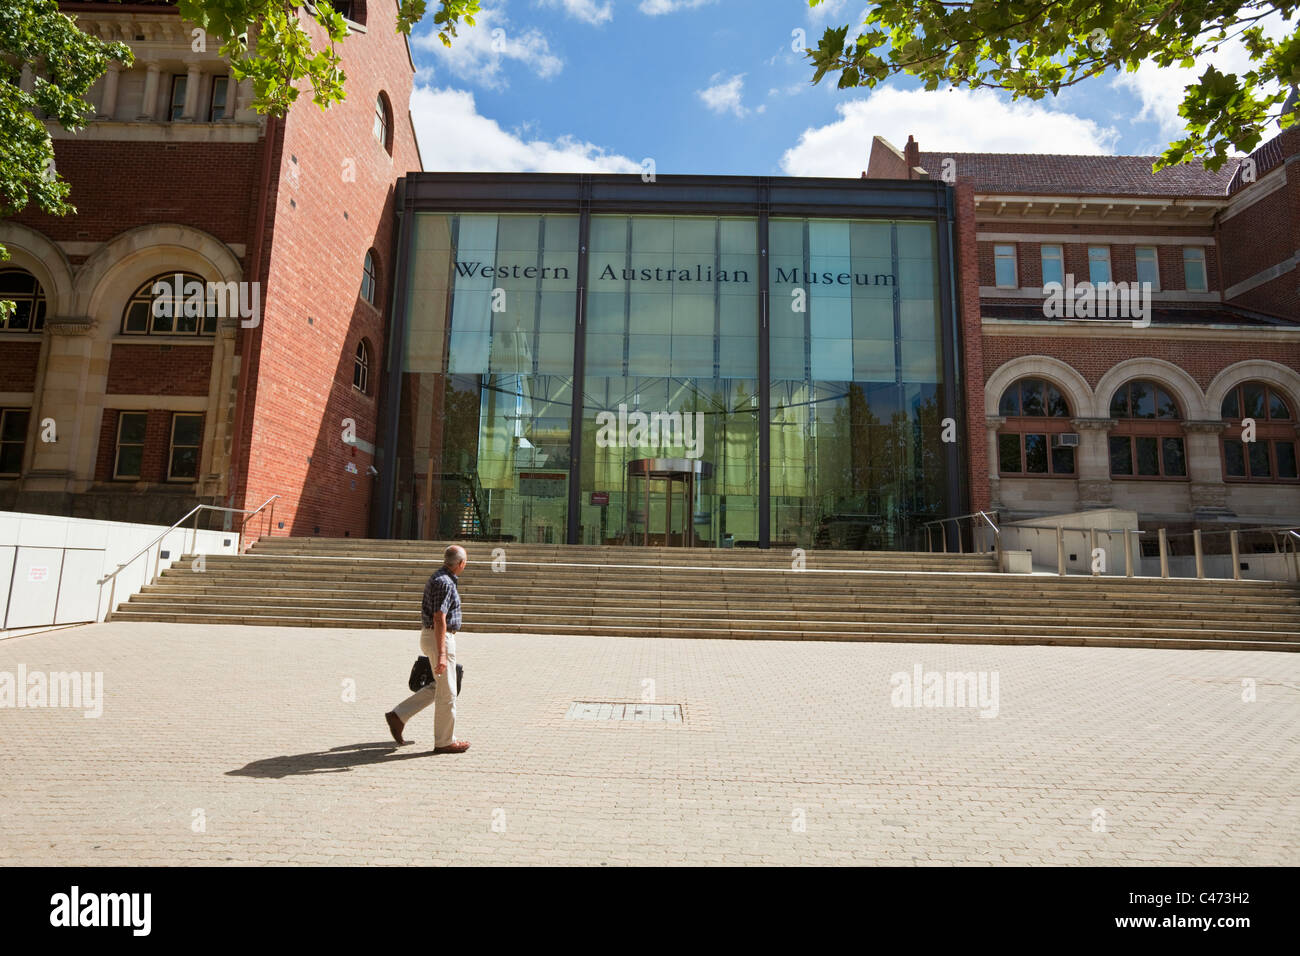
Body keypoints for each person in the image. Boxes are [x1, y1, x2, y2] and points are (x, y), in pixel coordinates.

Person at [385, 545, 470, 753]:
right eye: (466, 561)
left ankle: (399, 715)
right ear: (460, 563)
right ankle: (444, 742)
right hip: (439, 637)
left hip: (433, 636)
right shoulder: (445, 582)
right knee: (448, 693)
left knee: (438, 687)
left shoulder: (441, 578)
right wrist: (442, 653)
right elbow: (439, 617)